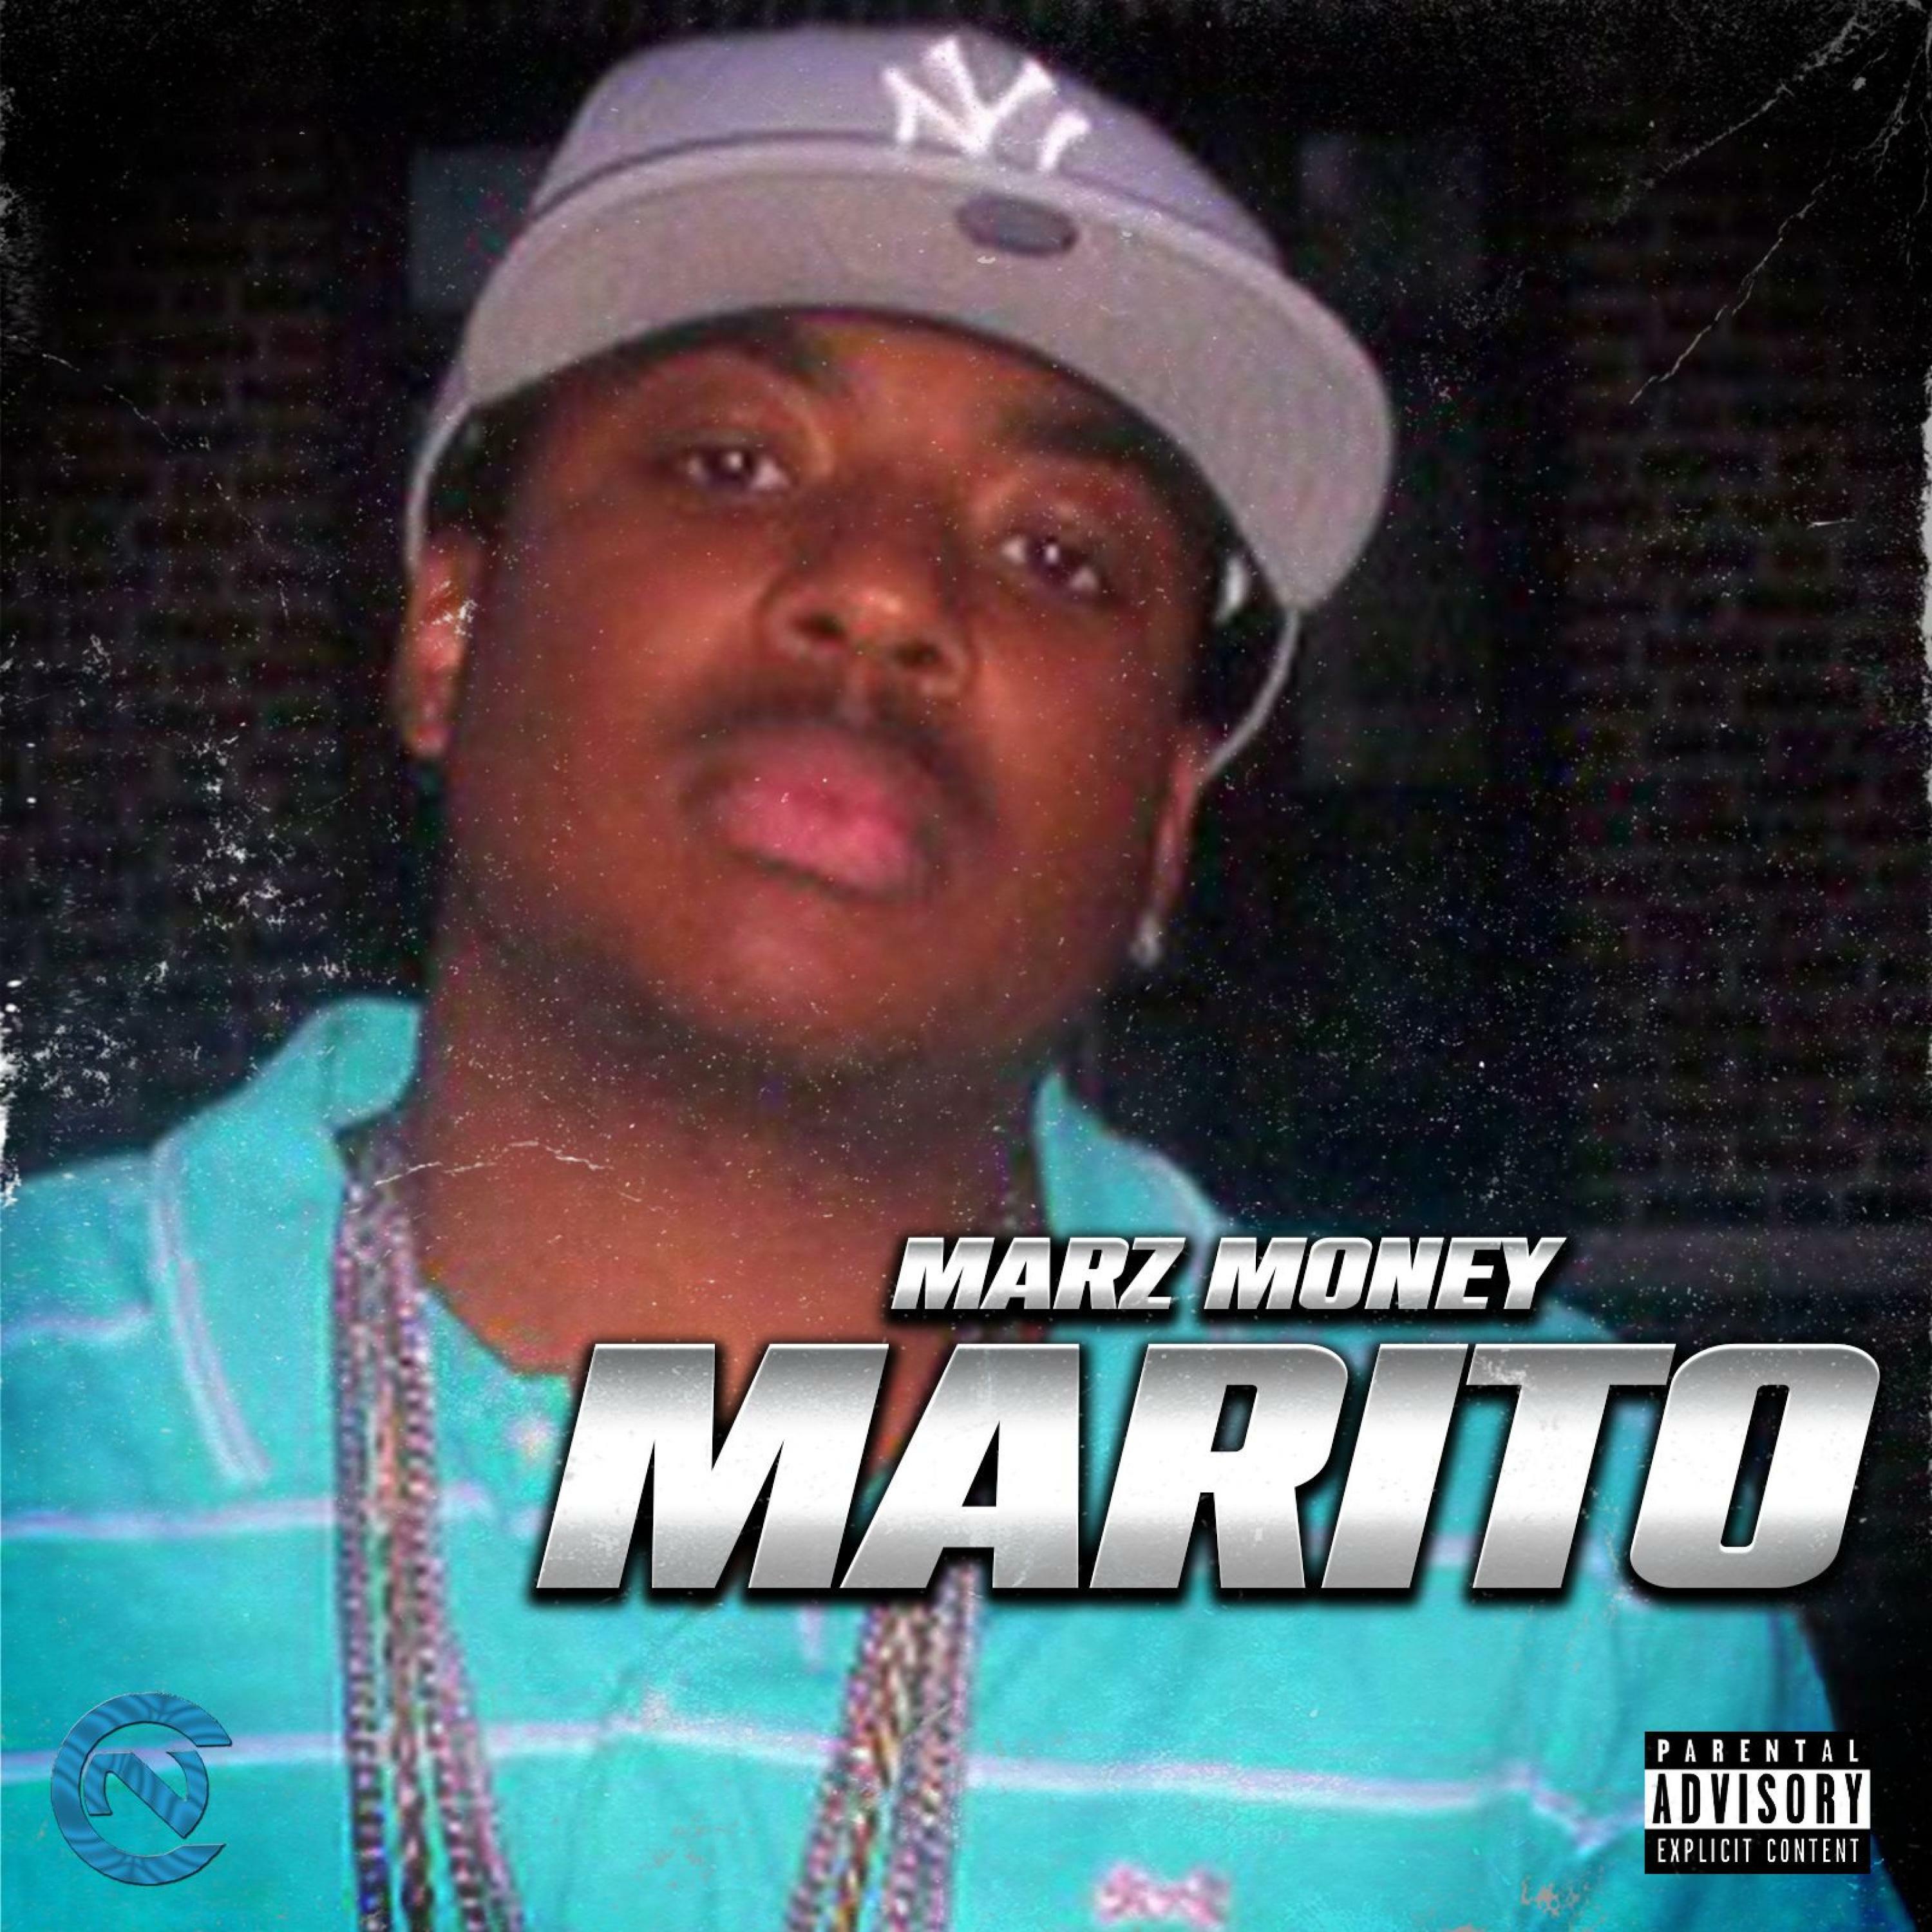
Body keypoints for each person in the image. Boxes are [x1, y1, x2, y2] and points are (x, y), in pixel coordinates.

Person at [1, 23, 1911, 1932]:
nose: (892, 590)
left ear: (1167, 817)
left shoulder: (1607, 1572)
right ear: (453, 623)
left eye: (1062, 554)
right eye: (734, 459)